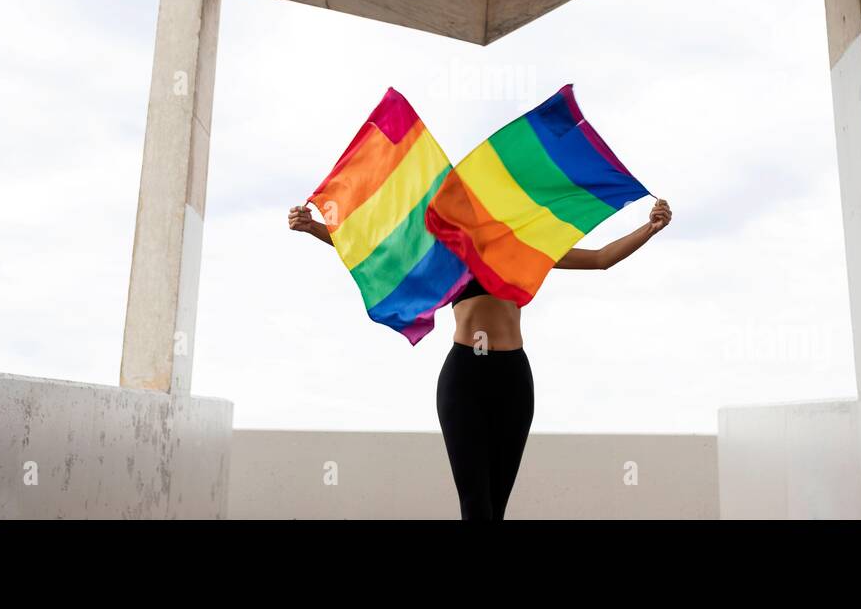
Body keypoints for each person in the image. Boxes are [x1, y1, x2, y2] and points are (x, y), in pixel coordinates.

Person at [288, 197, 672, 520]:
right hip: (465, 378)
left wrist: (650, 228)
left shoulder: (524, 251)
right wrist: (314, 228)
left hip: (513, 379)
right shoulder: (452, 254)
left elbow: (601, 259)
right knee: (475, 502)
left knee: (496, 505)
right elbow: (378, 253)